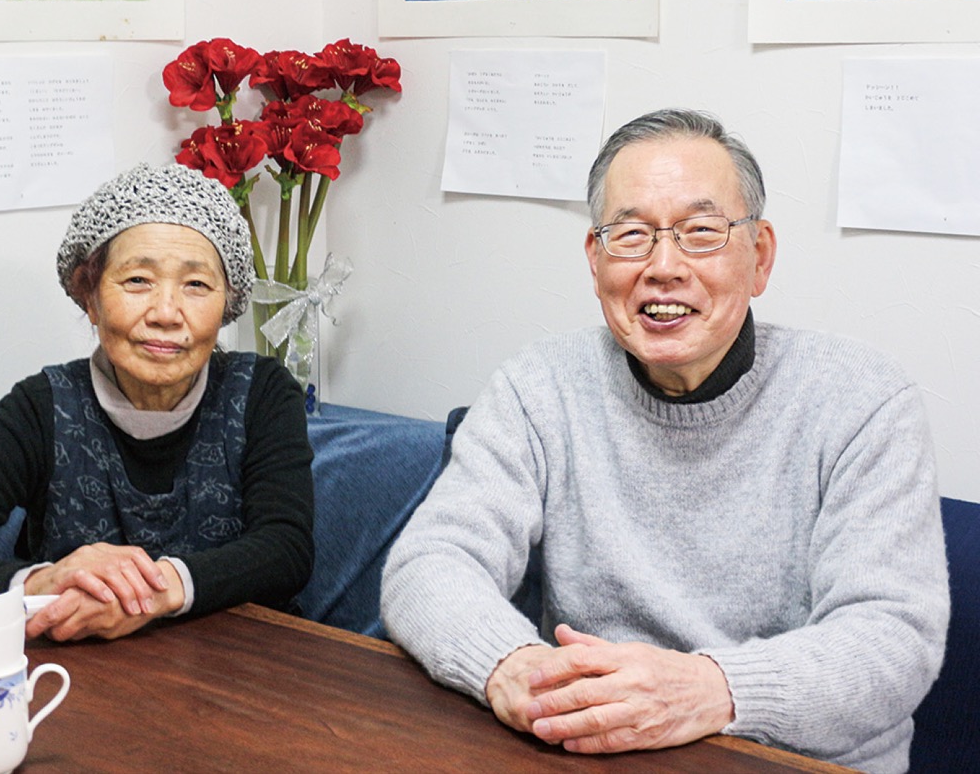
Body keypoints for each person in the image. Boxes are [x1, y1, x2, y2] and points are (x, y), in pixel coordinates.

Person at [380, 109, 948, 773]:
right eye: (630, 235)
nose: (663, 266)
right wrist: (513, 664)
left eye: (702, 232)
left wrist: (709, 688)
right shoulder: (540, 387)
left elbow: (892, 641)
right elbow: (430, 562)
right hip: (594, 748)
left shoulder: (864, 402)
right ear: (595, 261)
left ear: (759, 256)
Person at [0, 163, 315, 642]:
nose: (166, 314)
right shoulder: (42, 407)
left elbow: (286, 549)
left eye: (196, 285)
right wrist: (38, 582)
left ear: (226, 302)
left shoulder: (262, 393)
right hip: (83, 681)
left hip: (247, 675)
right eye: (137, 281)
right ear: (90, 297)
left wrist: (154, 591)